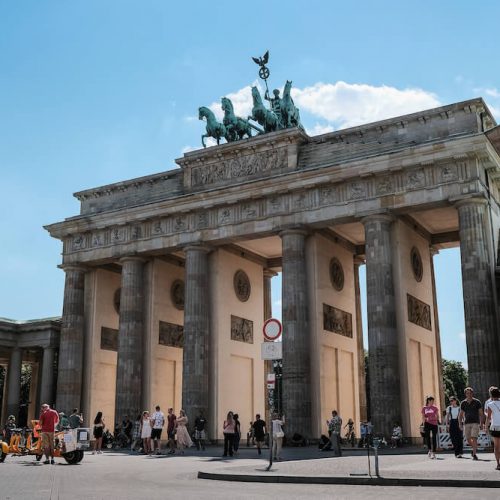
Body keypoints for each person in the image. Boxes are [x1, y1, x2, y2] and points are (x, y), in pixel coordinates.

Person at [459, 387, 484, 461]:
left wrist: (481, 423)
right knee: (468, 439)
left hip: (475, 422)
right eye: (467, 393)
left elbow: (481, 414)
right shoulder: (463, 403)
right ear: (465, 394)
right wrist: (460, 424)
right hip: (466, 423)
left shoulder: (477, 402)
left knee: (474, 438)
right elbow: (460, 415)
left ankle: (474, 454)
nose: (468, 394)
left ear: (472, 393)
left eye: (470, 393)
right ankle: (474, 448)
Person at [485, 387, 500, 470]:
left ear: (491, 395)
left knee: (496, 447)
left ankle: (498, 464)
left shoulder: (490, 404)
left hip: (495, 427)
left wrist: (486, 427)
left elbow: (488, 418)